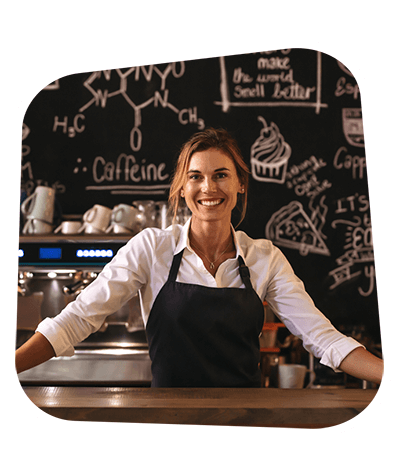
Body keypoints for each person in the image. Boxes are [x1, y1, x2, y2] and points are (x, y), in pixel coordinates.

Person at [15, 128, 383, 387]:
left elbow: (323, 339)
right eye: (195, 177)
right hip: (166, 419)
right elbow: (76, 321)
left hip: (246, 421)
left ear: (240, 183)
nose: (208, 188)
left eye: (221, 175)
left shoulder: (264, 258)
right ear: (182, 187)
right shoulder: (152, 248)